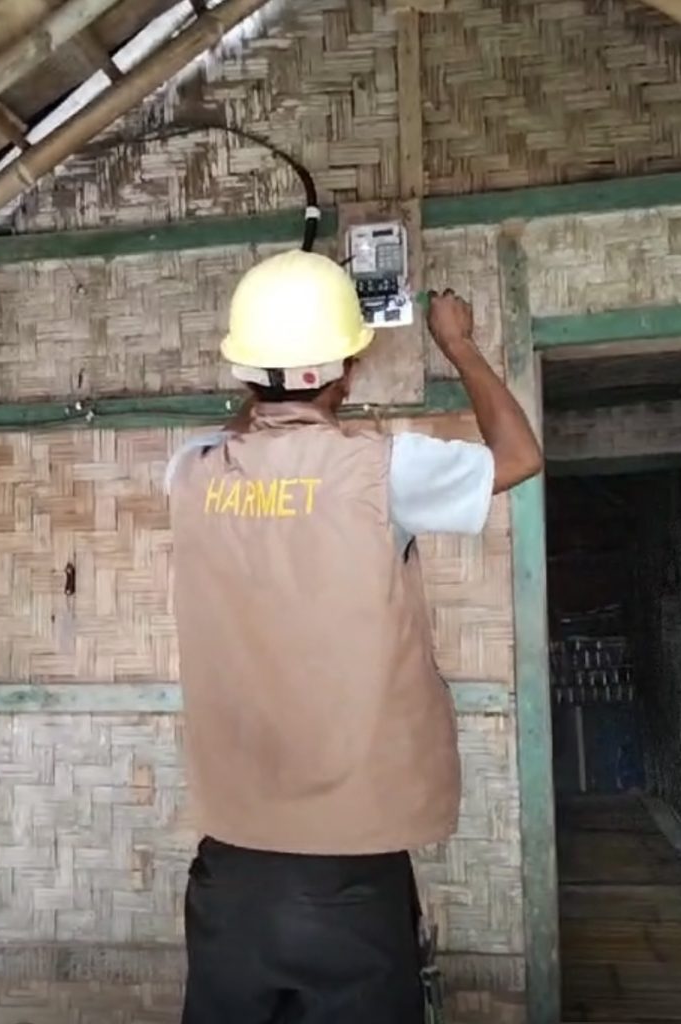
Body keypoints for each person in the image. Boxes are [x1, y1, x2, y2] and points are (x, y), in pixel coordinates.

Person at [166, 250, 542, 1024]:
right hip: (350, 879)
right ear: (346, 371)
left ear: (245, 372)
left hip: (228, 874)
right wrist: (458, 343)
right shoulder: (384, 473)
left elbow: (246, 426)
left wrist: (274, 384)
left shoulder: (190, 473)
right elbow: (519, 456)